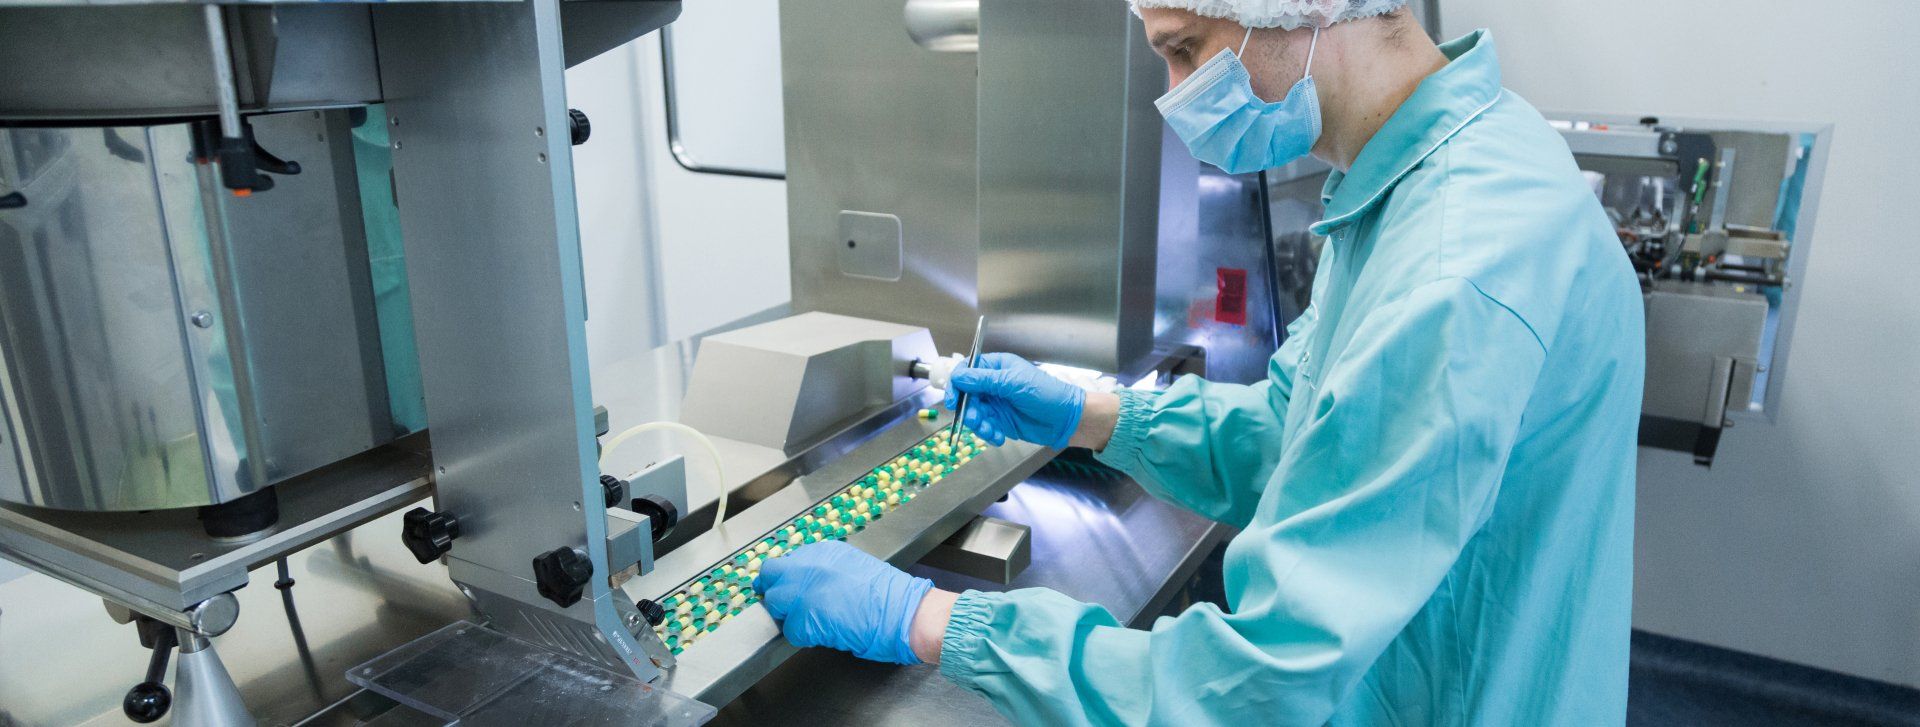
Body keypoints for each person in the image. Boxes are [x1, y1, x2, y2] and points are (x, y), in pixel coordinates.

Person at [753, 0, 1646, 723]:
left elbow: (1260, 683)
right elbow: (1296, 435)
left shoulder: (1451, 271)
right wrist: (1095, 415)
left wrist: (926, 617)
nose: (1174, 96)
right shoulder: (1417, 180)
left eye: (1188, 50)